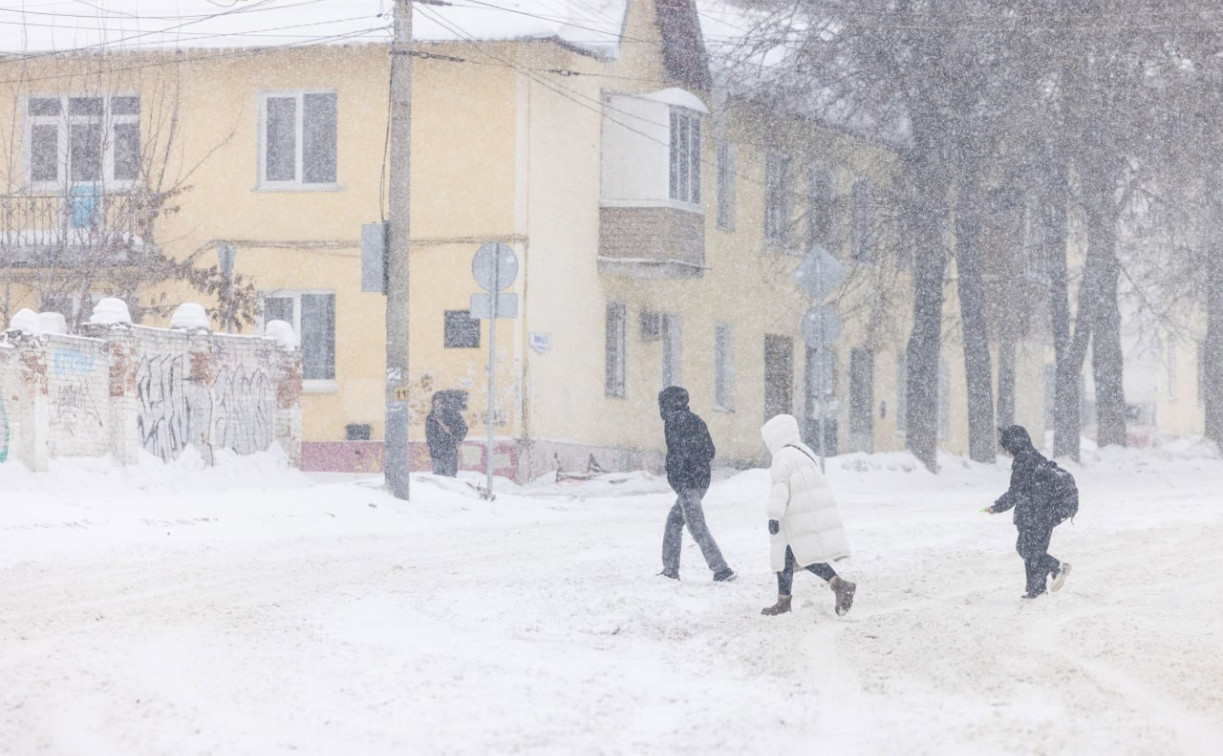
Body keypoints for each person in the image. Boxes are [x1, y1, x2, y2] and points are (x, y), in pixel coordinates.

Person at [758, 413, 856, 617]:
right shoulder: (804, 452)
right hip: (808, 511)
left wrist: (774, 516)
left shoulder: (781, 457)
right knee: (796, 555)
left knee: (792, 556)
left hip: (793, 515)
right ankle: (833, 586)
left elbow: (780, 489)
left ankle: (838, 585)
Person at [983, 424, 1075, 599]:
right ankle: (1036, 589)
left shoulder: (1023, 460)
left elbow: (1015, 492)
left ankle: (1057, 567)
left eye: (1006, 445)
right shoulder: (1036, 457)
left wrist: (996, 507)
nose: (1006, 450)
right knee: (1035, 551)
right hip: (1047, 512)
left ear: (1013, 443)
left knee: (1026, 549)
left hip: (1033, 514)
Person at [657, 386, 736, 582]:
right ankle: (670, 569)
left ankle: (721, 570)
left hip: (687, 483)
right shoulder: (696, 420)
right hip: (701, 480)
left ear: (668, 403)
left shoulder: (674, 421)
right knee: (674, 522)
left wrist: (679, 476)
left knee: (696, 527)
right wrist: (697, 465)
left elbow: (677, 454)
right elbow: (710, 451)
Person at [425, 393, 468, 477]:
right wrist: (432, 445)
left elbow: (463, 428)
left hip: (450, 450)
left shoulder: (453, 415)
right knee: (439, 478)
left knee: (450, 476)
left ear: (443, 403)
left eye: (438, 402)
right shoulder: (431, 417)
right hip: (437, 452)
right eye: (434, 403)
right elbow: (429, 434)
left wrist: (455, 439)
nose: (436, 405)